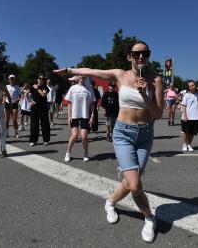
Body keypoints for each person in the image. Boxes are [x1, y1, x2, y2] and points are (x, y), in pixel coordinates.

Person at [53, 40, 164, 243]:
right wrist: (68, 70)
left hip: (145, 134)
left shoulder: (155, 79)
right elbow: (92, 71)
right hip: (123, 133)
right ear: (129, 56)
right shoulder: (120, 75)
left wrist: (144, 93)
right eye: (136, 53)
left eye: (145, 53)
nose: (141, 57)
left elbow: (157, 114)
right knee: (136, 185)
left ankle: (110, 202)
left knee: (129, 182)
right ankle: (149, 217)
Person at [64, 75, 96, 162]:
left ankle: (86, 153)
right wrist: (69, 116)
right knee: (74, 135)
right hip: (74, 115)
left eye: (84, 76)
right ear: (78, 77)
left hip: (85, 116)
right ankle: (68, 152)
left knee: (84, 136)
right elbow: (69, 103)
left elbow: (92, 104)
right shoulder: (73, 88)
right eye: (81, 76)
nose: (82, 77)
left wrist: (92, 116)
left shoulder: (89, 89)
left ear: (86, 78)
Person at [29, 75, 50, 146]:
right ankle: (33, 140)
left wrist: (37, 88)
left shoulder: (45, 88)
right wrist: (30, 101)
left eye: (42, 79)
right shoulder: (32, 87)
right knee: (34, 124)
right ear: (37, 79)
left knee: (45, 124)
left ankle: (46, 140)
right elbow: (27, 94)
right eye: (40, 79)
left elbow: (43, 95)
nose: (41, 80)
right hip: (34, 107)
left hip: (43, 107)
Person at [180, 80, 198, 152]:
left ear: (196, 85)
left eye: (193, 85)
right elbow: (183, 106)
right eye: (190, 86)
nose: (192, 87)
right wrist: (185, 116)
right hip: (187, 117)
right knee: (186, 132)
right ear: (188, 87)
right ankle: (184, 144)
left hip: (195, 117)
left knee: (192, 132)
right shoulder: (187, 95)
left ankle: (189, 144)